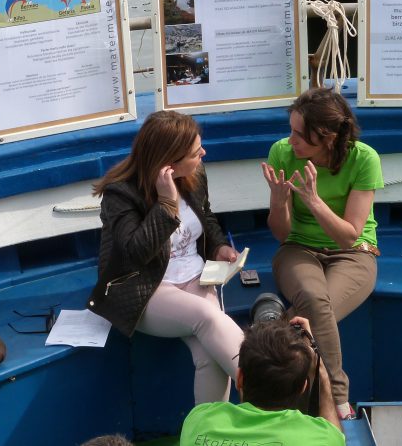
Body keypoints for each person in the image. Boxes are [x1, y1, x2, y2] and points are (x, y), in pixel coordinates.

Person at [87, 110, 245, 404]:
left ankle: (209, 427)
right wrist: (166, 204)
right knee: (209, 317)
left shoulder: (194, 174)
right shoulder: (120, 193)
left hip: (196, 278)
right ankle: (267, 388)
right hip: (147, 289)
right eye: (195, 152)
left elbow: (205, 216)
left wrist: (218, 247)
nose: (203, 154)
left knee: (210, 356)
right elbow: (135, 254)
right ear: (169, 163)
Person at [260, 87, 383, 419]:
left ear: (328, 137)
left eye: (300, 135)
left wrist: (313, 201)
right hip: (298, 249)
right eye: (290, 130)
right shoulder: (282, 153)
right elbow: (281, 233)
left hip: (354, 253)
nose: (291, 141)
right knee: (314, 299)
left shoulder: (364, 159)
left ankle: (267, 338)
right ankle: (339, 397)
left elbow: (348, 236)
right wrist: (278, 200)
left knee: (312, 312)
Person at [179, 316, 344, 446]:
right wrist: (320, 372)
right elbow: (334, 434)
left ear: (239, 378)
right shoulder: (322, 438)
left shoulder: (198, 420)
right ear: (302, 387)